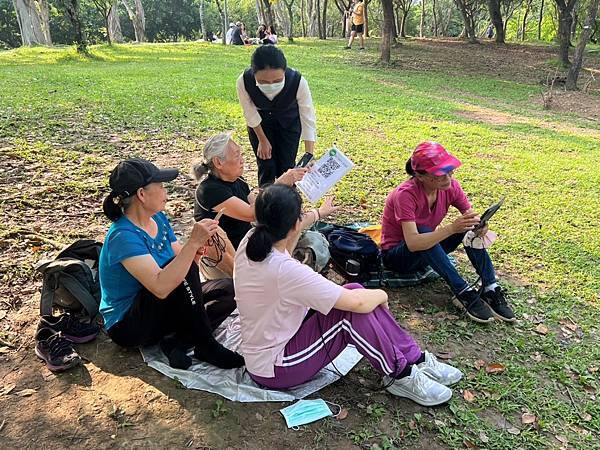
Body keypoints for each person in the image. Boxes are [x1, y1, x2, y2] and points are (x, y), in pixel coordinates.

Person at [234, 184, 463, 406]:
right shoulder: (286, 271)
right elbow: (357, 304)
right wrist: (382, 294)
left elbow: (288, 241)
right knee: (352, 312)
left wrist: (317, 213)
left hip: (272, 347)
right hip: (275, 368)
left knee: (353, 290)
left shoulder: (251, 240)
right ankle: (399, 375)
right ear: (294, 225)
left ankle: (415, 359)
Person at [98, 158, 244, 371]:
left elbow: (183, 264)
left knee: (229, 290)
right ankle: (205, 344)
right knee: (183, 271)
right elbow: (160, 286)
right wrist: (192, 244)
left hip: (163, 305)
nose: (165, 191)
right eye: (160, 186)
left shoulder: (158, 219)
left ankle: (178, 342)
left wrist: (196, 249)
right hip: (129, 323)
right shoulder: (122, 236)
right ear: (141, 194)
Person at [380, 142, 516, 324]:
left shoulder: (451, 187)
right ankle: (462, 291)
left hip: (424, 250)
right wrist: (451, 228)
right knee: (424, 232)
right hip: (398, 257)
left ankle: (490, 286)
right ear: (421, 176)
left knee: (468, 226)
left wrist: (480, 226)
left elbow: (469, 215)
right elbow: (413, 243)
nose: (449, 177)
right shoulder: (405, 195)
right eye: (441, 174)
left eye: (450, 171)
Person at [193, 131, 308, 250]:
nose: (242, 160)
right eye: (237, 156)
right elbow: (253, 213)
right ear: (218, 162)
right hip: (227, 253)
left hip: (246, 241)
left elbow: (257, 202)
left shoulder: (237, 180)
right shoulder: (209, 190)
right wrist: (281, 182)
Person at [237, 45, 316, 186]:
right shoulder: (243, 81)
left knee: (287, 167)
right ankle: (265, 203)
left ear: (284, 72)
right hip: (260, 124)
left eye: (277, 80)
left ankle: (287, 203)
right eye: (263, 82)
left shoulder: (298, 81)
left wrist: (308, 155)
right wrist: (262, 140)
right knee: (265, 165)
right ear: (254, 74)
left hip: (289, 124)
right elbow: (249, 112)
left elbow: (307, 118)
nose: (271, 85)